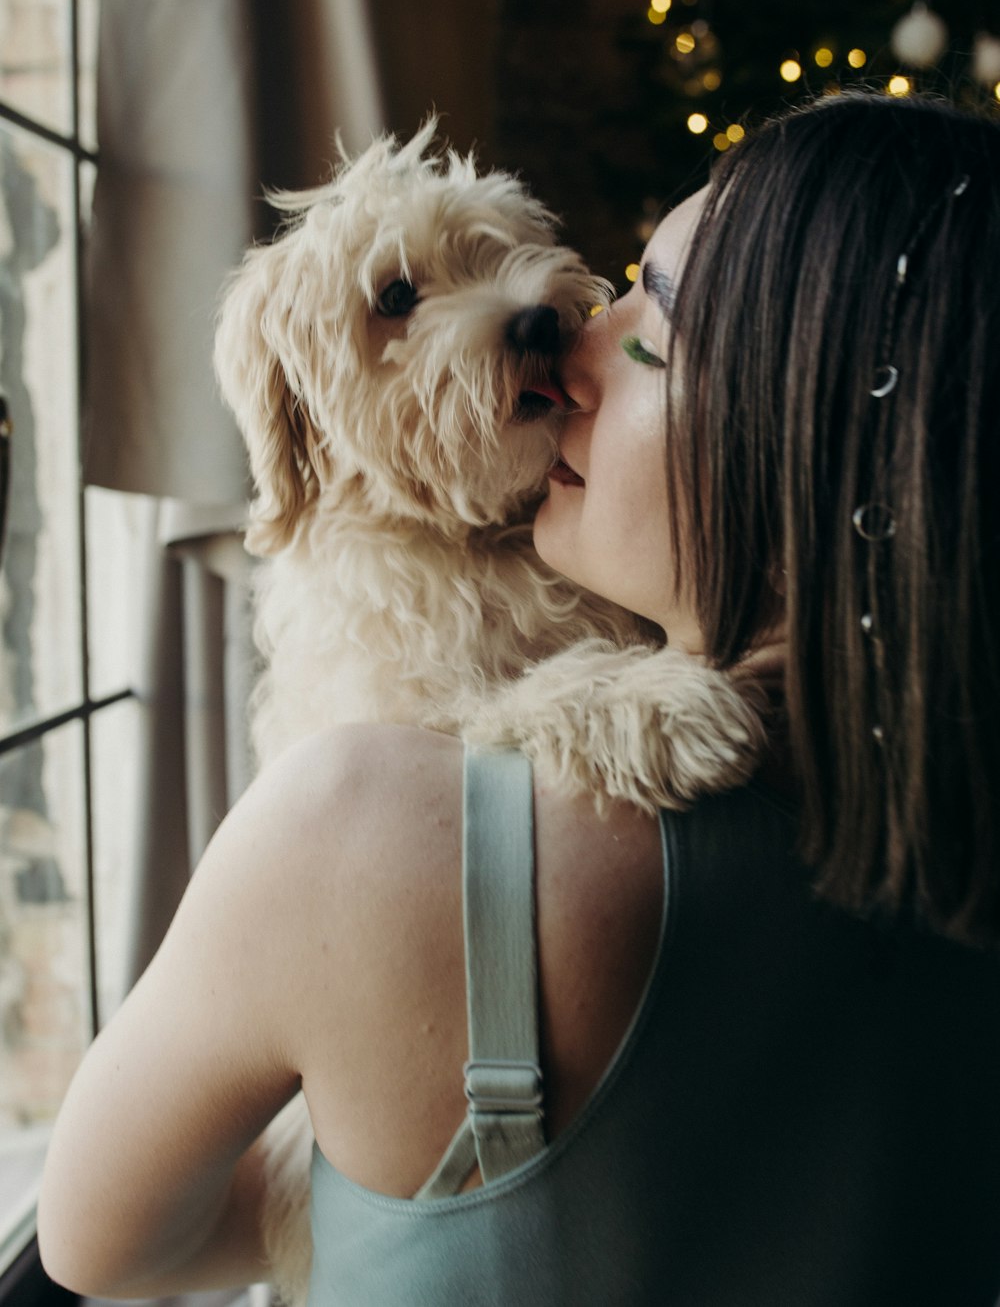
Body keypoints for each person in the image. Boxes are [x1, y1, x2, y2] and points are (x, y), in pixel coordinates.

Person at [38, 92, 1000, 1305]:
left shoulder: (366, 825)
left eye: (651, 317)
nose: (578, 336)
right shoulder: (946, 784)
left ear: (798, 424)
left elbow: (96, 1244)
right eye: (623, 286)